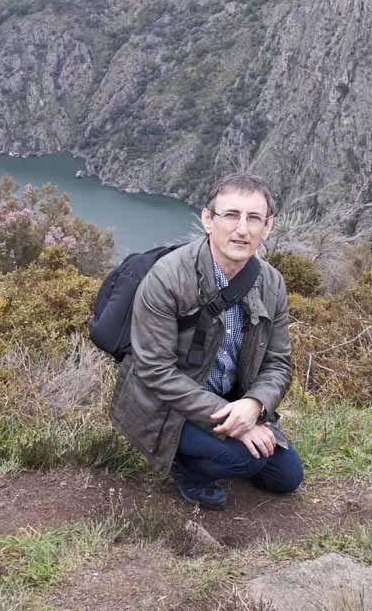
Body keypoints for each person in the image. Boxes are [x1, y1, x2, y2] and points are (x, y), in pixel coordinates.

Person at [110, 173, 304, 510]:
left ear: (268, 226)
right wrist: (231, 419)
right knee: (246, 460)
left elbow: (278, 362)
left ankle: (222, 452)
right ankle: (187, 471)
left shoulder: (271, 283)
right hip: (167, 406)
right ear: (208, 219)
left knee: (287, 478)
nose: (242, 229)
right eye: (231, 215)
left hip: (233, 399)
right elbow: (154, 371)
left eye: (253, 218)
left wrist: (255, 405)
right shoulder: (168, 278)